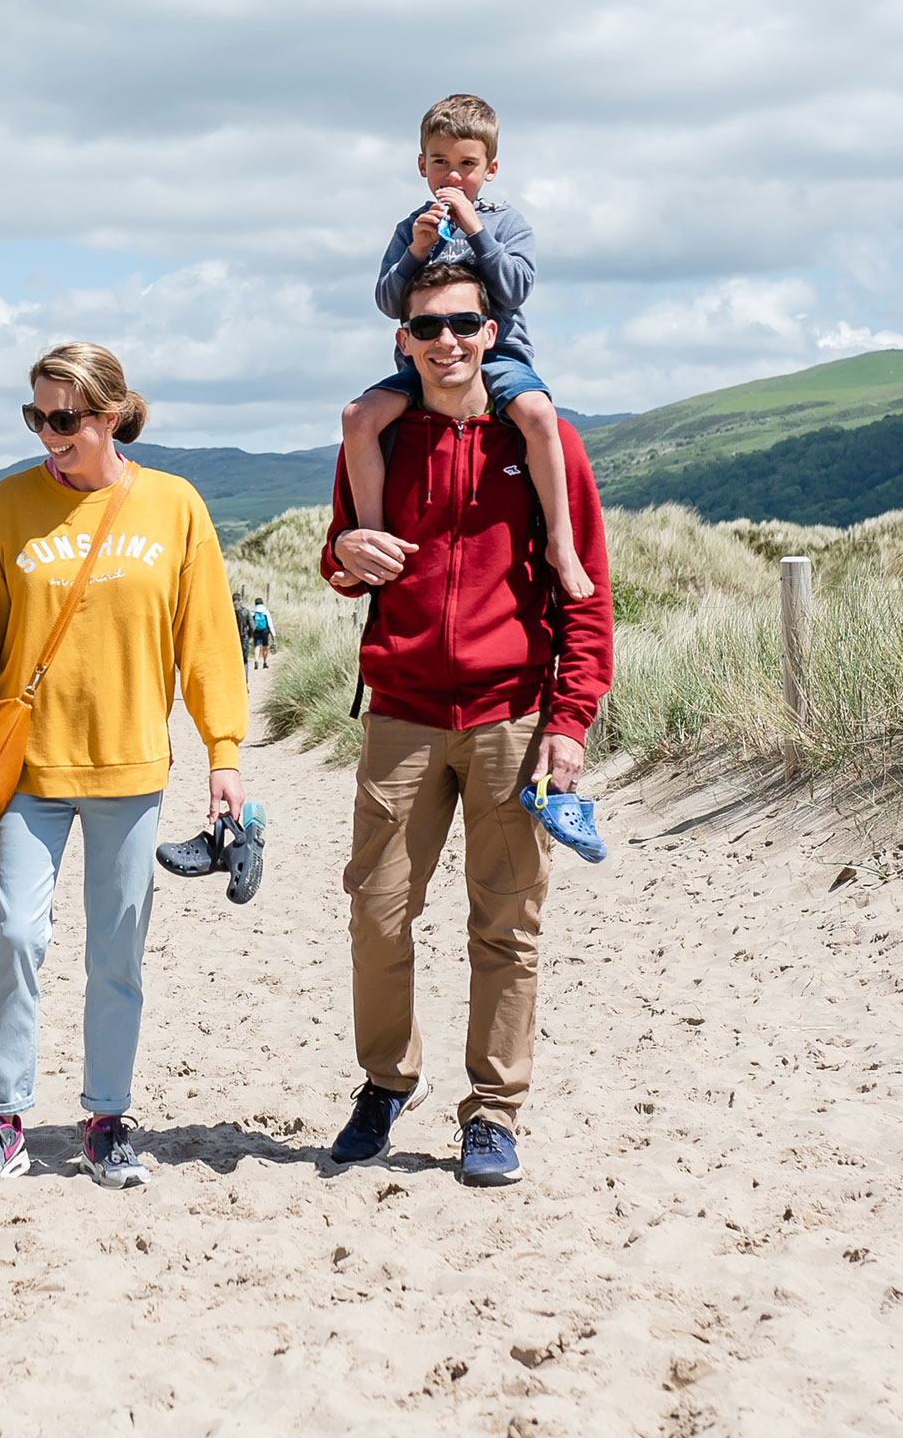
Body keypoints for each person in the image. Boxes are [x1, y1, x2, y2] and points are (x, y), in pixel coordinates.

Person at [0, 342, 249, 1196]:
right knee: (17, 939)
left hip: (131, 772)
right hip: (27, 772)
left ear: (110, 416)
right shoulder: (7, 505)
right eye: (36, 416)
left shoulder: (174, 506)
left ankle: (107, 1122)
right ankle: (1, 1121)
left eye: (63, 418)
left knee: (117, 957)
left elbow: (207, 638)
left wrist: (224, 752)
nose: (47, 434)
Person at [322, 263, 613, 1186]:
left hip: (511, 716)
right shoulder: (378, 438)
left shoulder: (544, 440)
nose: (447, 340)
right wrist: (342, 553)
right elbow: (344, 564)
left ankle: (493, 1111)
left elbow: (588, 596)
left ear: (493, 331)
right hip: (401, 714)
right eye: (428, 326)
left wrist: (569, 723)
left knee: (506, 924)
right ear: (402, 340)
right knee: (376, 913)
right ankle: (385, 1082)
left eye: (464, 323)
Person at [340, 93, 594, 600]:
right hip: (425, 363)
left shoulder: (507, 224)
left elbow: (515, 289)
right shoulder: (409, 227)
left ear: (491, 168)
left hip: (498, 359)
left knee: (541, 417)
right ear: (421, 165)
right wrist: (415, 249)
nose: (453, 177)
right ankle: (373, 541)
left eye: (467, 165)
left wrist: (476, 230)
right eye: (440, 163)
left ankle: (561, 545)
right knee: (357, 417)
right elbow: (389, 302)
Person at [248, 597, 277, 670]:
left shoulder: (253, 611)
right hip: (265, 631)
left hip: (256, 630)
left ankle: (256, 660)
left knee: (257, 646)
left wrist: (249, 632)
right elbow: (270, 623)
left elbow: (250, 622)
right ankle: (264, 662)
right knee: (265, 646)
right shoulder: (265, 611)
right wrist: (273, 634)